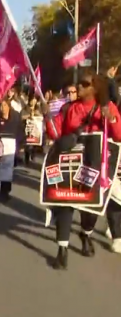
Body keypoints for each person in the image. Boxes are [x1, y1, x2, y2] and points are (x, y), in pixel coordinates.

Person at [44, 73, 121, 269]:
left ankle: (85, 234)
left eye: (84, 84)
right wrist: (47, 116)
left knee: (91, 209)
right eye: (79, 84)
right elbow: (55, 132)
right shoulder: (70, 108)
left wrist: (110, 118)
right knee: (65, 204)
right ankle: (62, 250)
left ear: (95, 88)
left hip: (94, 166)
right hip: (71, 163)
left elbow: (119, 136)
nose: (79, 87)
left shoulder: (108, 107)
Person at [0, 97, 23, 202]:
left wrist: (21, 146)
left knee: (7, 170)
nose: (3, 108)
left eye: (5, 105)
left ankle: (5, 192)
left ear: (9, 106)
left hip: (11, 146)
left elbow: (20, 131)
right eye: (1, 106)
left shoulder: (16, 117)